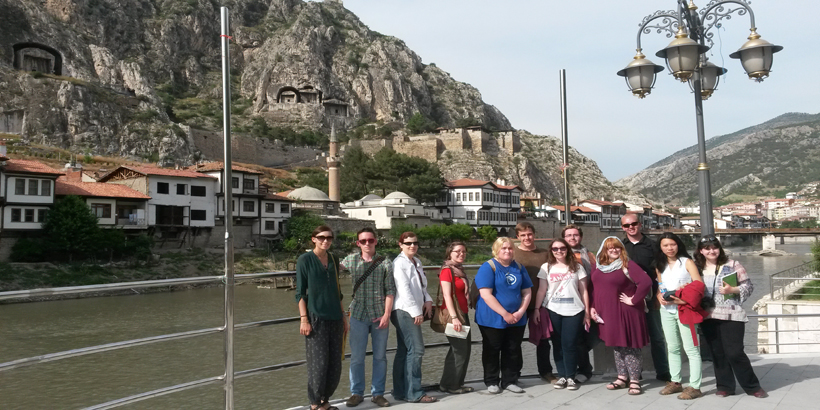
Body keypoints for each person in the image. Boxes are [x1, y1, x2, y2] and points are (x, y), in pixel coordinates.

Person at [695, 235, 768, 398]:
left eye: (714, 247)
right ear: (701, 251)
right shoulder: (697, 268)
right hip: (708, 316)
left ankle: (753, 386)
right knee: (717, 353)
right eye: (707, 248)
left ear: (719, 249)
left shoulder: (733, 265)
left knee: (735, 352)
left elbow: (748, 286)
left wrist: (733, 290)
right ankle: (725, 386)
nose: (711, 251)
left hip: (732, 314)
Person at [589, 237, 652, 396]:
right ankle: (622, 377)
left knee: (630, 346)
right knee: (617, 346)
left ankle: (635, 380)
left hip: (626, 312)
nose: (613, 250)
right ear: (604, 249)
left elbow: (645, 282)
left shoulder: (628, 264)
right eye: (610, 248)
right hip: (607, 312)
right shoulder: (598, 267)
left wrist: (634, 300)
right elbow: (594, 289)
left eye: (617, 247)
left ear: (621, 249)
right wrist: (592, 307)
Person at [295, 225, 349, 410]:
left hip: (335, 317)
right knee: (318, 364)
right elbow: (300, 292)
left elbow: (337, 291)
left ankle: (325, 401)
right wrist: (304, 318)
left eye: (329, 238)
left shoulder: (334, 259)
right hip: (316, 317)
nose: (326, 241)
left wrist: (343, 316)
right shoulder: (305, 260)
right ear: (314, 239)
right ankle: (314, 403)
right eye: (321, 237)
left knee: (335, 364)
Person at [341, 228, 396, 408]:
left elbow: (390, 291)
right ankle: (356, 393)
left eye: (370, 240)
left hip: (379, 314)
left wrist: (387, 314)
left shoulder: (385, 263)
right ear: (358, 243)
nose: (367, 243)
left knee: (380, 357)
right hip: (357, 314)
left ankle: (377, 393)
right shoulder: (351, 260)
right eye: (363, 241)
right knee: (357, 357)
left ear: (375, 241)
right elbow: (331, 269)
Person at [475, 237, 533, 394]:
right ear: (496, 250)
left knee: (513, 349)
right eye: (504, 248)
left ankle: (509, 380)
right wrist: (505, 313)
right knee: (492, 349)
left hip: (517, 318)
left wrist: (520, 311)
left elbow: (527, 291)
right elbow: (486, 295)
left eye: (510, 248)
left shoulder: (519, 267)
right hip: (492, 318)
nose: (507, 251)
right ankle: (492, 381)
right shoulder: (488, 267)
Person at [533, 238, 590, 391]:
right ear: (551, 251)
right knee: (557, 344)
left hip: (574, 310)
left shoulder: (577, 267)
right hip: (553, 309)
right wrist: (537, 309)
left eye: (562, 248)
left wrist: (587, 312)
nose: (559, 251)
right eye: (555, 249)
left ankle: (571, 377)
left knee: (569, 344)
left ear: (567, 249)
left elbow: (584, 291)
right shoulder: (546, 267)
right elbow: (541, 290)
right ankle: (562, 375)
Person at [621, 213, 671, 383]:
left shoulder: (653, 245)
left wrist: (659, 293)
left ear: (640, 224)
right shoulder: (619, 246)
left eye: (633, 224)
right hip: (627, 300)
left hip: (650, 297)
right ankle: (635, 372)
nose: (630, 227)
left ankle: (663, 371)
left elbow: (661, 270)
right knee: (632, 336)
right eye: (626, 225)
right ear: (622, 228)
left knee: (656, 336)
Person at [655, 232, 704, 400]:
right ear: (660, 247)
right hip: (666, 311)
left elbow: (699, 286)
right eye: (665, 245)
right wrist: (658, 296)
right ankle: (675, 382)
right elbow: (660, 285)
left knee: (691, 349)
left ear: (678, 245)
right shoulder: (659, 265)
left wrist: (683, 300)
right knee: (672, 347)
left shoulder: (687, 262)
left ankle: (695, 386)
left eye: (672, 244)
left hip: (686, 310)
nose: (670, 248)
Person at [391, 231, 437, 403]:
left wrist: (428, 300)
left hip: (411, 310)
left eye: (415, 243)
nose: (412, 246)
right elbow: (404, 290)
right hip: (404, 311)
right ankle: (414, 393)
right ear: (400, 244)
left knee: (404, 351)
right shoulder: (399, 264)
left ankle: (401, 391)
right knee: (417, 350)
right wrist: (415, 312)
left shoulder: (416, 262)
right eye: (408, 243)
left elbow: (422, 287)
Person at [515, 222, 556, 383]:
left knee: (543, 340)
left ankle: (546, 371)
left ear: (534, 235)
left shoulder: (545, 254)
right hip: (517, 305)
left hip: (540, 304)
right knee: (515, 341)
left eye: (529, 234)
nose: (527, 238)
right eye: (523, 235)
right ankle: (514, 374)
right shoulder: (512, 254)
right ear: (517, 237)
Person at [437, 241, 474, 394]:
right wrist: (454, 318)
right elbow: (447, 295)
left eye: (464, 252)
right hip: (454, 315)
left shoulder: (459, 270)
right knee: (460, 351)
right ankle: (454, 386)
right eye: (457, 251)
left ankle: (447, 384)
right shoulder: (447, 270)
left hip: (462, 314)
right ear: (449, 253)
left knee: (457, 351)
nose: (461, 254)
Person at [562, 224, 596, 382]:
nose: (572, 238)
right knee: (567, 339)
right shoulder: (557, 254)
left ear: (580, 237)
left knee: (581, 339)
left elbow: (596, 279)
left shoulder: (589, 256)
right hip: (562, 303)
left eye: (575, 235)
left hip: (583, 300)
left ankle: (584, 370)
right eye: (568, 235)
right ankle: (569, 370)